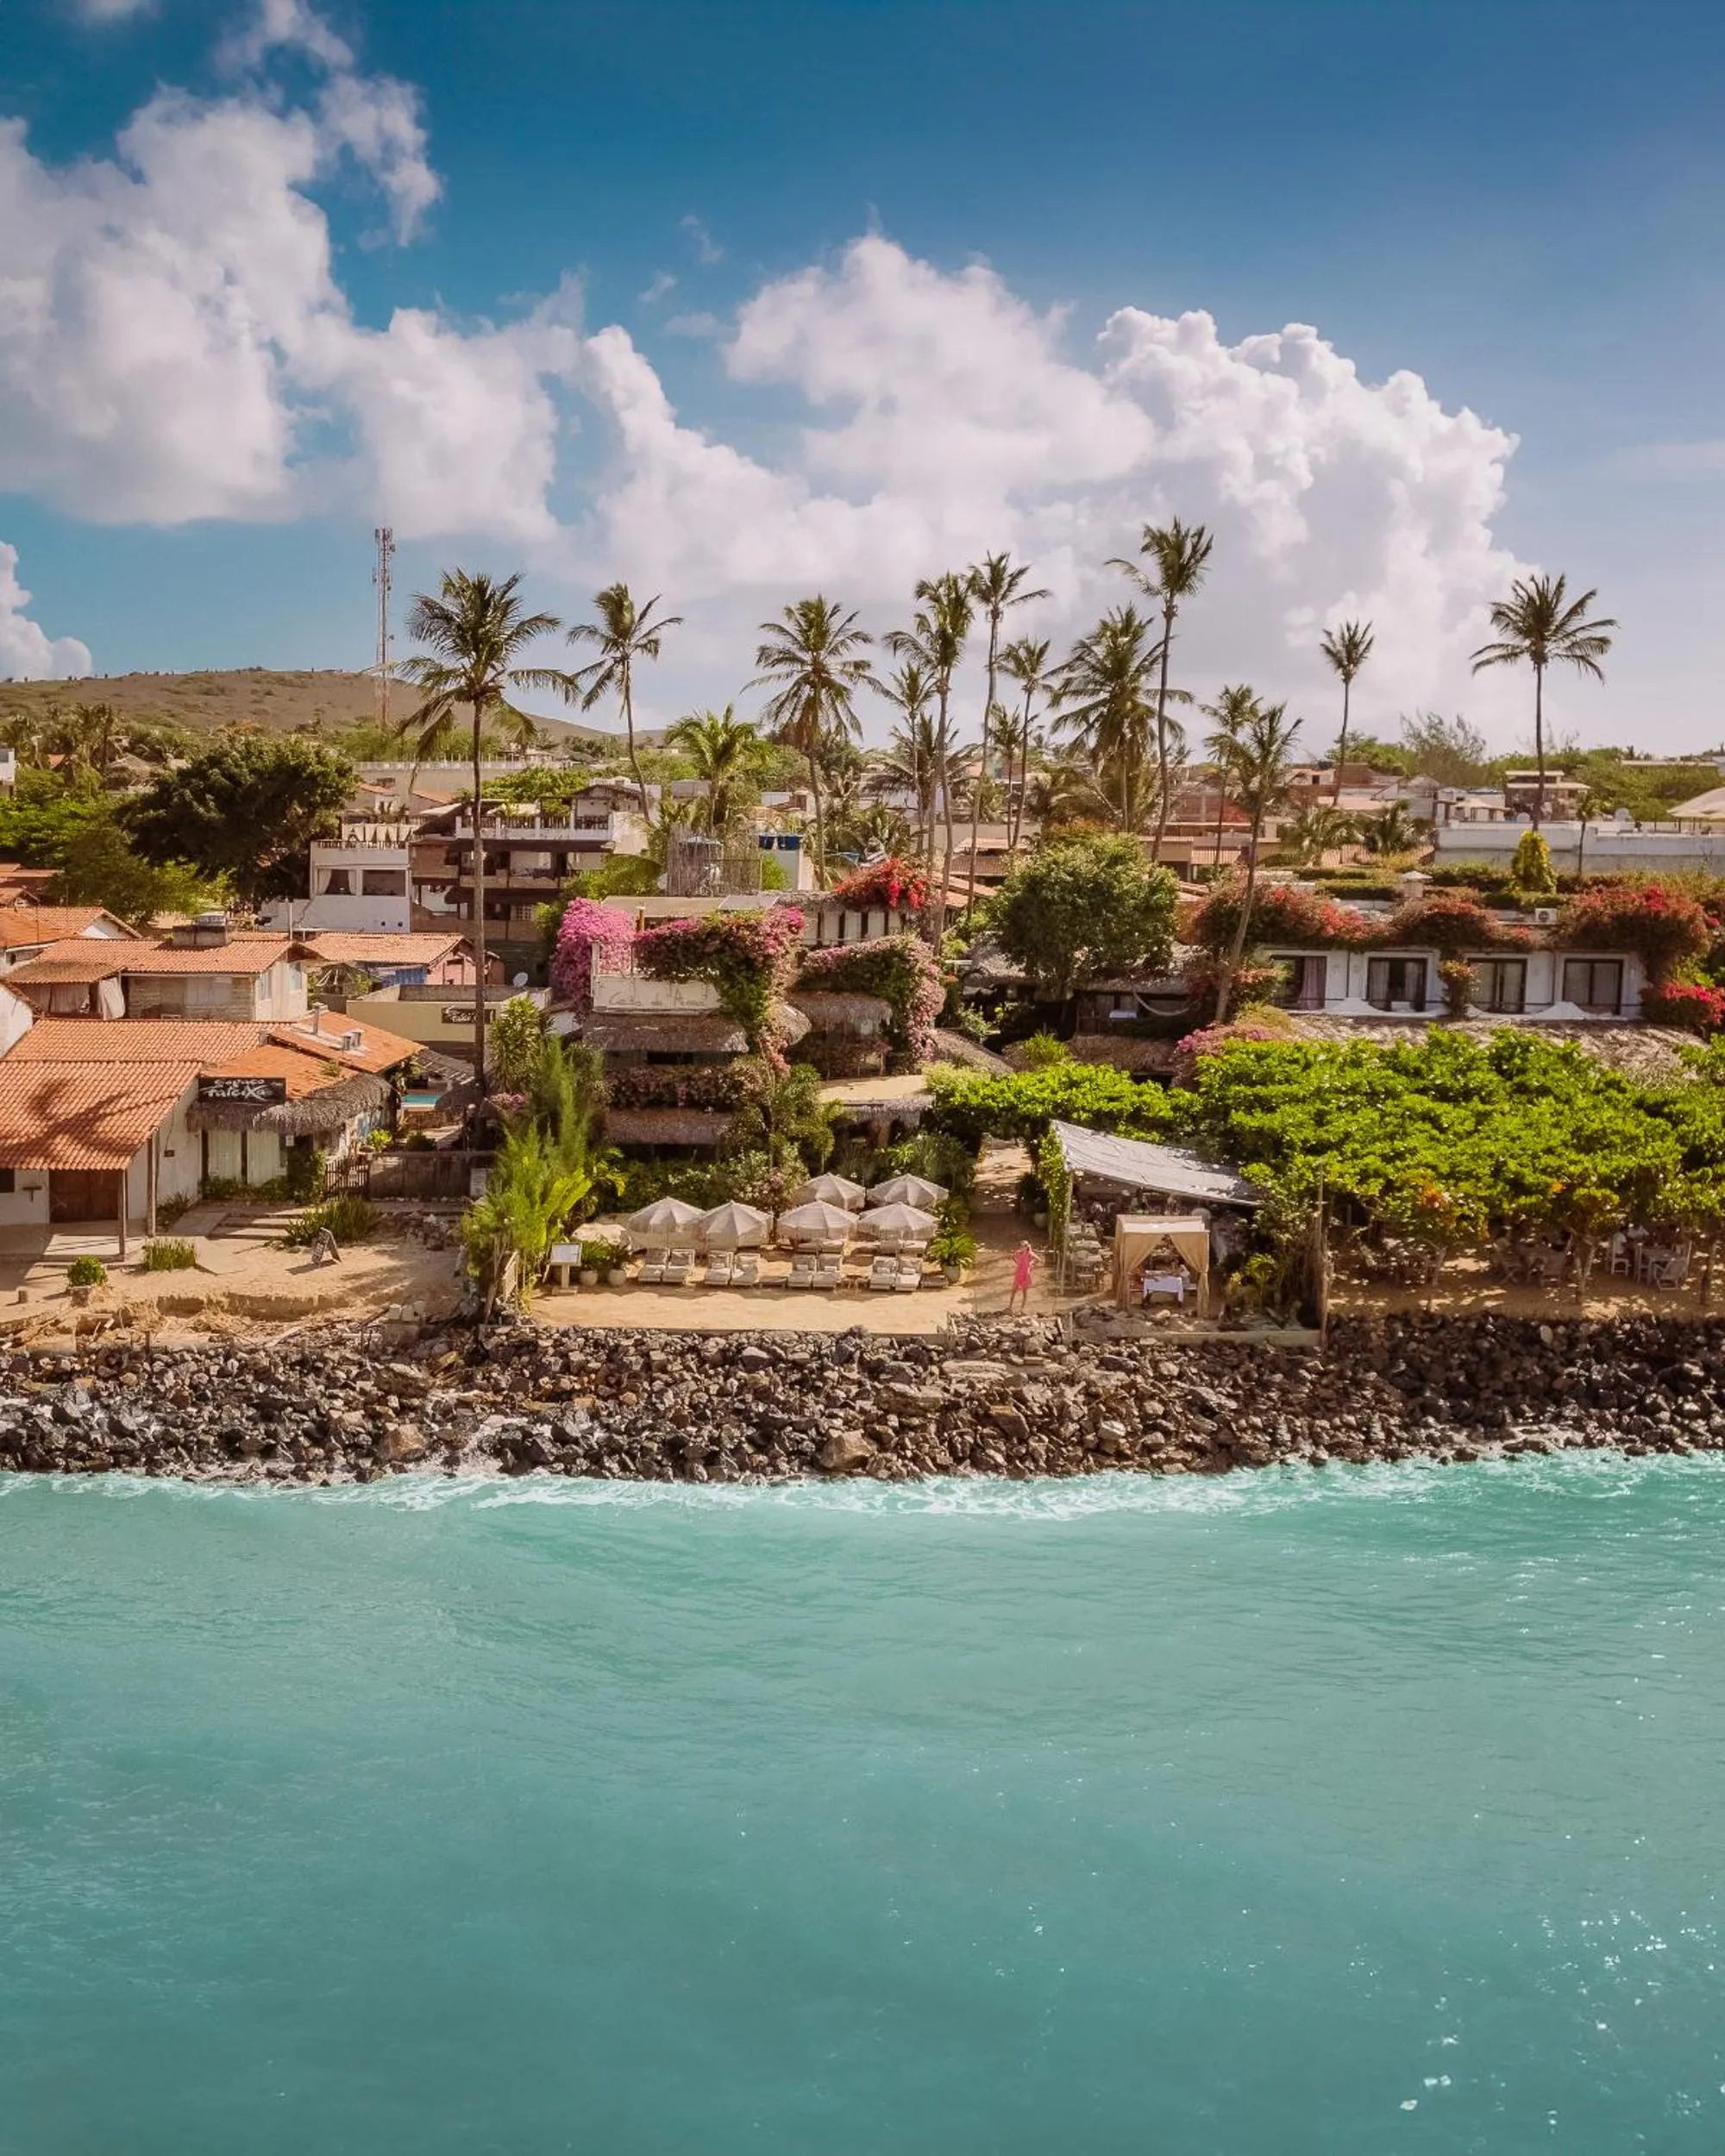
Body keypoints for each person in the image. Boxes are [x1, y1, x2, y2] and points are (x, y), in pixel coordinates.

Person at [1007, 1238, 1036, 1313]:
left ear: (1026, 1247)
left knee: (1024, 1293)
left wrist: (1031, 1265)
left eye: (1023, 1246)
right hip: (1018, 1274)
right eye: (1020, 1246)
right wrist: (1018, 1263)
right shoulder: (1018, 1253)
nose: (1021, 1247)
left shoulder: (1030, 1254)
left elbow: (1038, 1259)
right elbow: (1013, 1257)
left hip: (1026, 1275)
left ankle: (1021, 1309)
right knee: (1013, 1290)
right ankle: (1010, 1307)